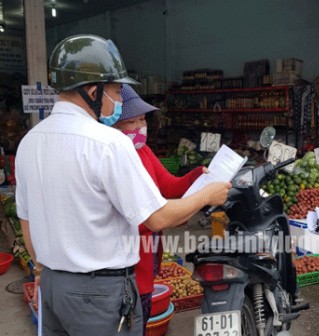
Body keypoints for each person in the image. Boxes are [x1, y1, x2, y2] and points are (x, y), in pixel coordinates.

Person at [15, 34, 230, 336]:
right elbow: (157, 217)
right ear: (93, 90)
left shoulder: (29, 142)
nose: (118, 100)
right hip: (100, 294)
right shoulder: (108, 143)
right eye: (116, 91)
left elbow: (26, 221)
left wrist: (40, 270)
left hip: (52, 287)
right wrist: (208, 193)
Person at [114, 84, 205, 332]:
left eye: (142, 120)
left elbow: (169, 186)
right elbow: (141, 220)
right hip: (129, 261)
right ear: (114, 127)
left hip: (149, 250)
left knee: (141, 312)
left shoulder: (144, 151)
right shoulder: (115, 160)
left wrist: (198, 175)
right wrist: (174, 213)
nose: (139, 127)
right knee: (134, 317)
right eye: (130, 122)